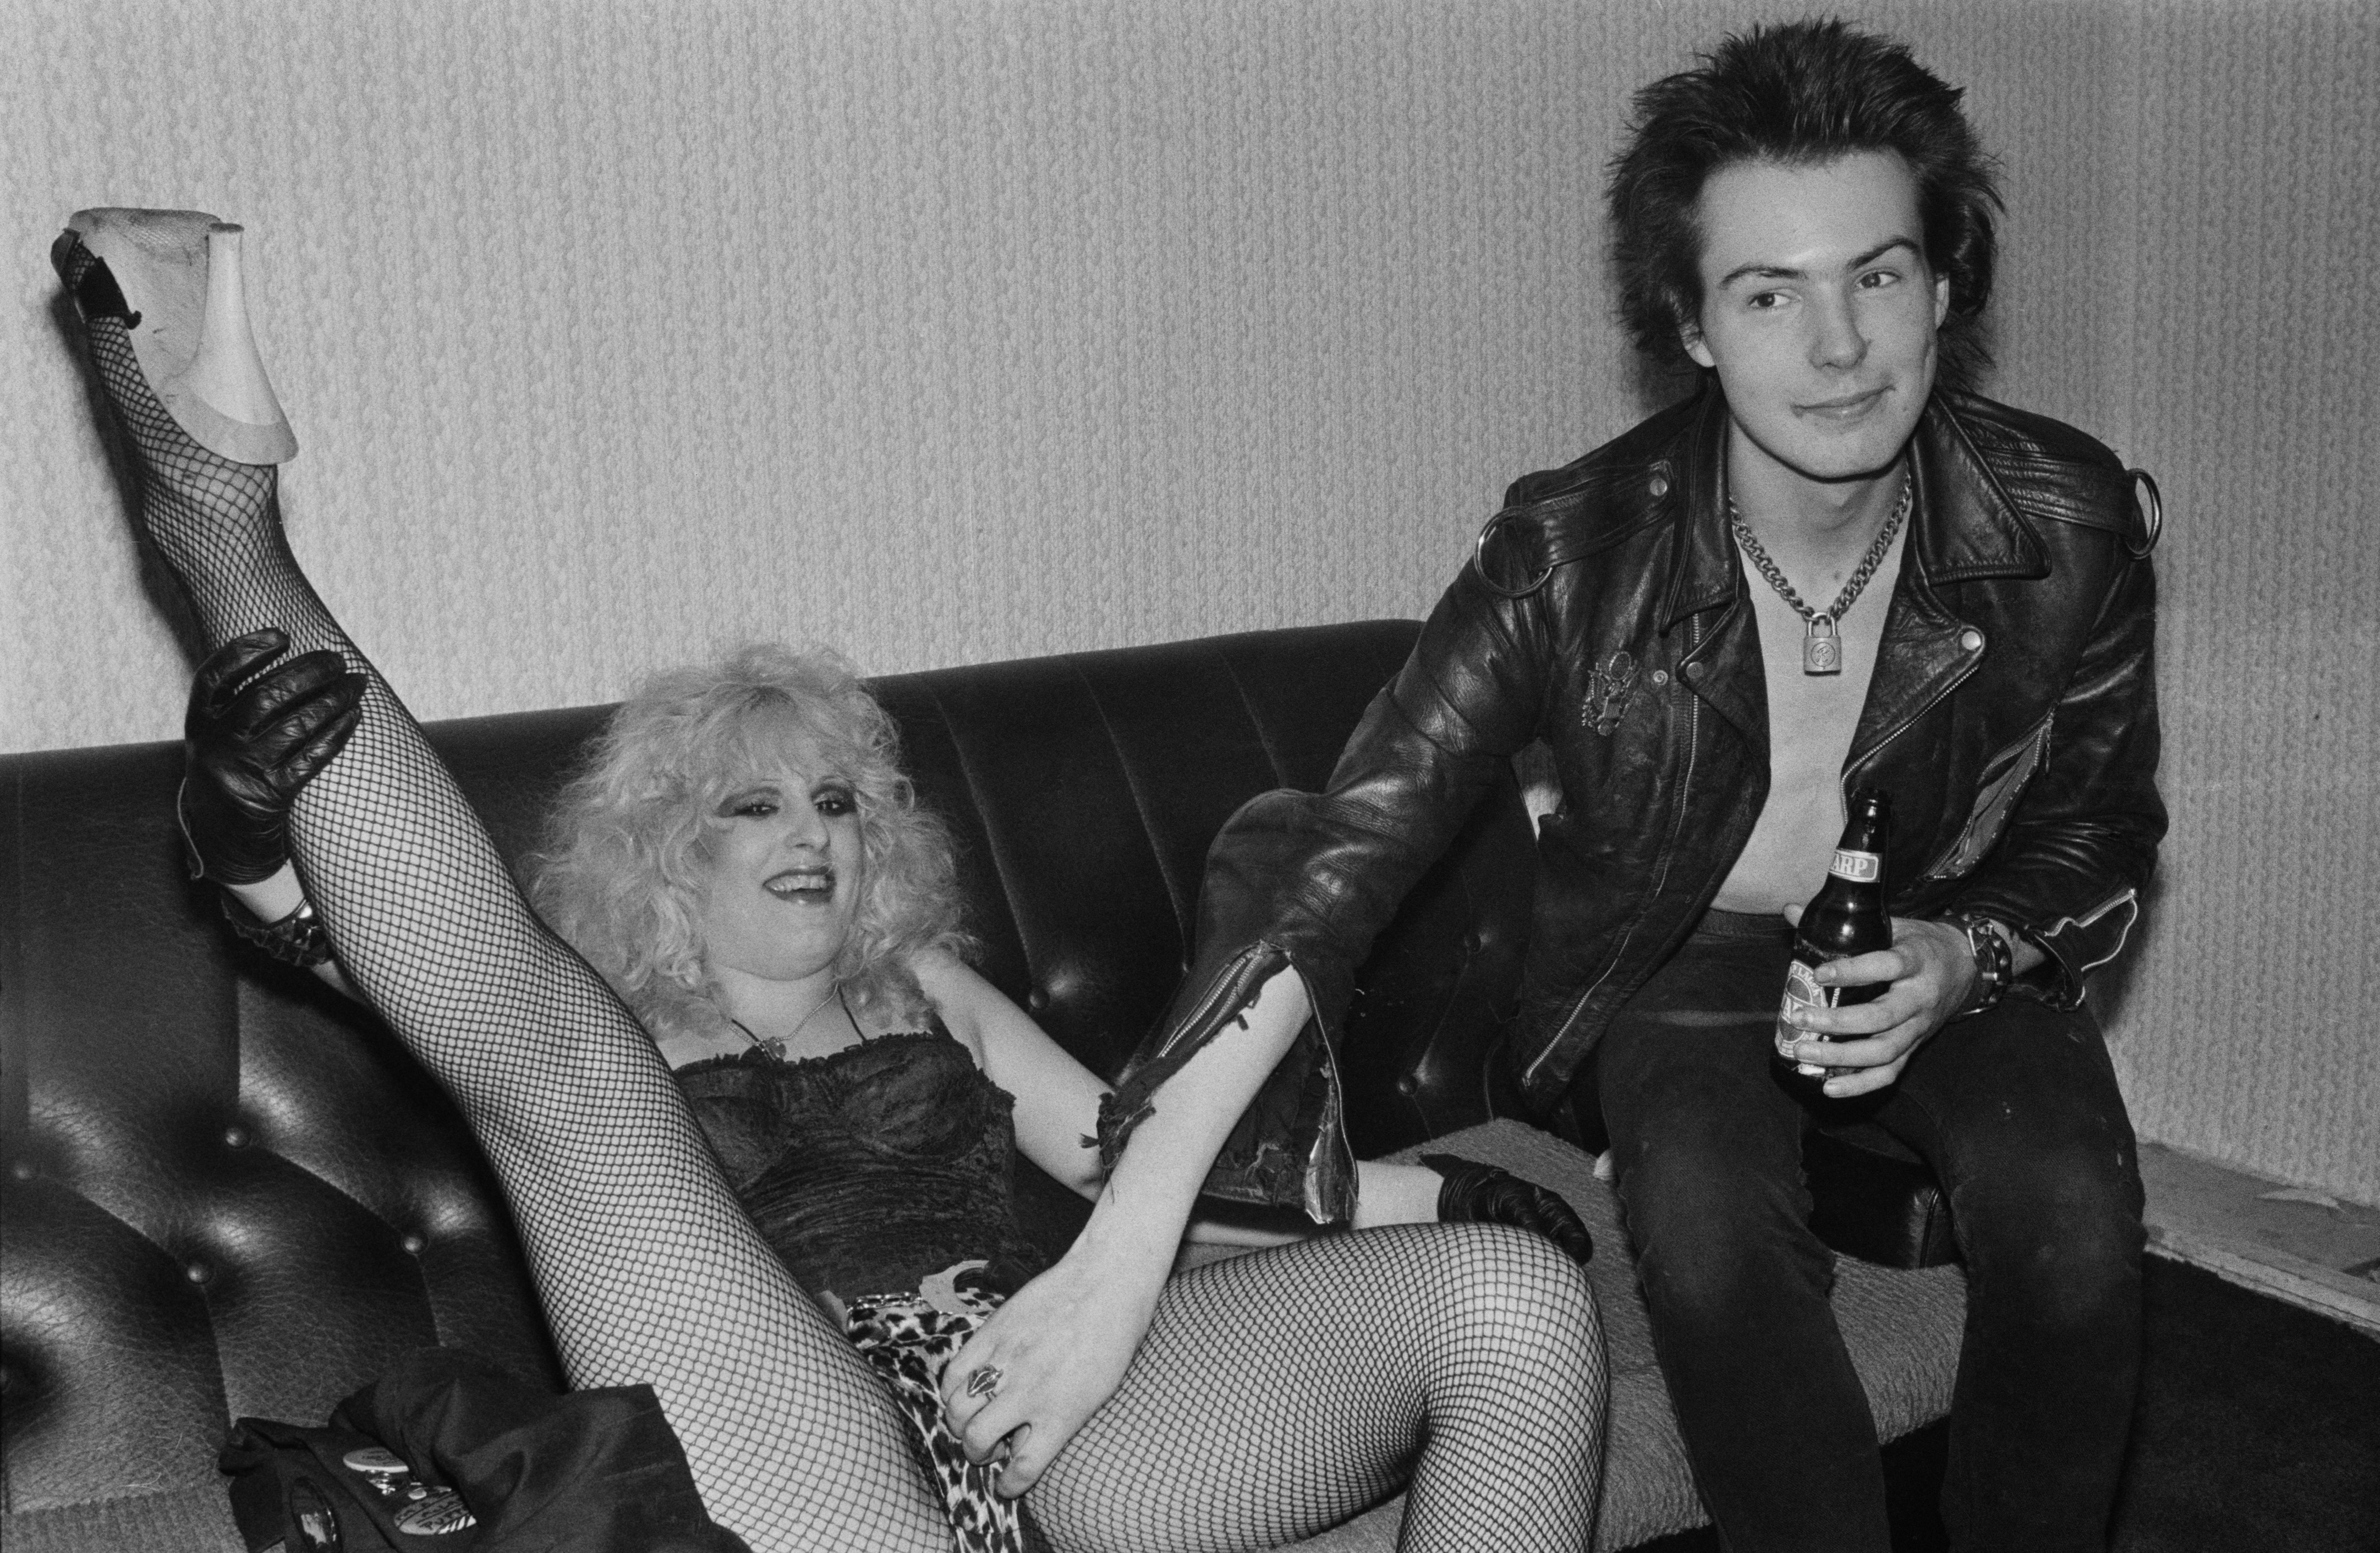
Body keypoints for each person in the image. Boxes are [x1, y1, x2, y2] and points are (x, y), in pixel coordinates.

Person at [56, 207, 1608, 1553]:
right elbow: (390, 970)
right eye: (753, 802)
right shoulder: (610, 1016)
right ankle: (221, 522)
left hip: (1043, 1394)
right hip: (796, 1443)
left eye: (839, 798)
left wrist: (1431, 1187)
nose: (811, 832)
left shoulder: (922, 986)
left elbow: (1137, 1155)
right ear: (671, 843)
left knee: (1510, 1304)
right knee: (570, 1074)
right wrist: (251, 853)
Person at [1102, 20, 2163, 1553]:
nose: (1838, 345)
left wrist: (1965, 951)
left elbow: (2100, 823)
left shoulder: (2067, 521)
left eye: (1875, 275)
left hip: (1945, 924)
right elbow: (1349, 842)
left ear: (1943, 286)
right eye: (1768, 293)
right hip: (1677, 950)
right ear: (1690, 325)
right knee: (1706, 1228)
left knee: (2073, 1225)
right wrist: (1134, 1227)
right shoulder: (1568, 554)